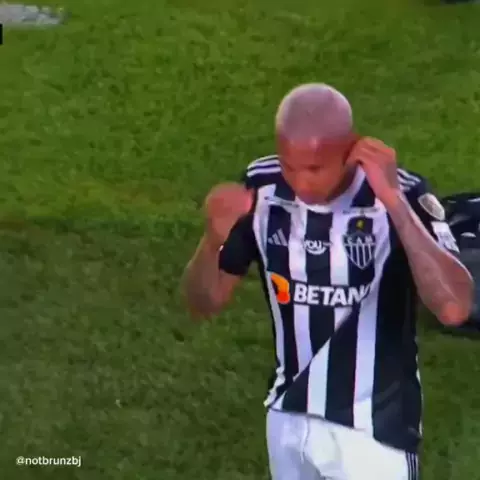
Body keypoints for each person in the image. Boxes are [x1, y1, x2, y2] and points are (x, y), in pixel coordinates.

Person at [182, 83, 473, 480]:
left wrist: (395, 203)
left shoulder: (400, 193)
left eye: (315, 169)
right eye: (289, 166)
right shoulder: (262, 188)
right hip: (287, 420)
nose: (300, 183)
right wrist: (212, 239)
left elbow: (454, 308)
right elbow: (204, 302)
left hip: (374, 433)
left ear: (350, 149)